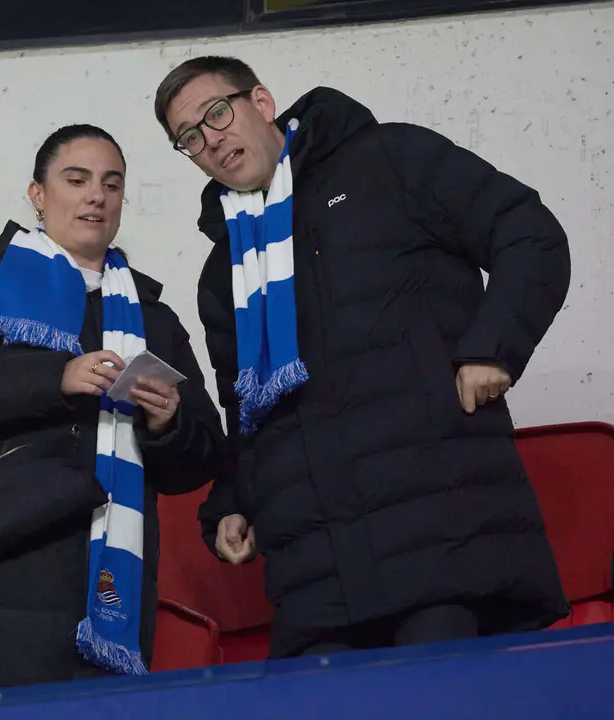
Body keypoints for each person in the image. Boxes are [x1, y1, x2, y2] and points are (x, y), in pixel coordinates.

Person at [152, 55, 571, 658]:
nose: (210, 139)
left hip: (440, 536)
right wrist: (232, 502)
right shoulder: (224, 272)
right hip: (316, 574)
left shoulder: (390, 160)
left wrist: (493, 349)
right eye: (189, 137)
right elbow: (246, 410)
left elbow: (529, 234)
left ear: (262, 103)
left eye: (216, 113)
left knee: (438, 696)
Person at [0, 124, 226, 712]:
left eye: (111, 184)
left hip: (106, 575)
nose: (96, 196)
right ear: (38, 194)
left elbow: (201, 455)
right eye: (76, 180)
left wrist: (167, 423)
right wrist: (56, 378)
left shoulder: (151, 317)